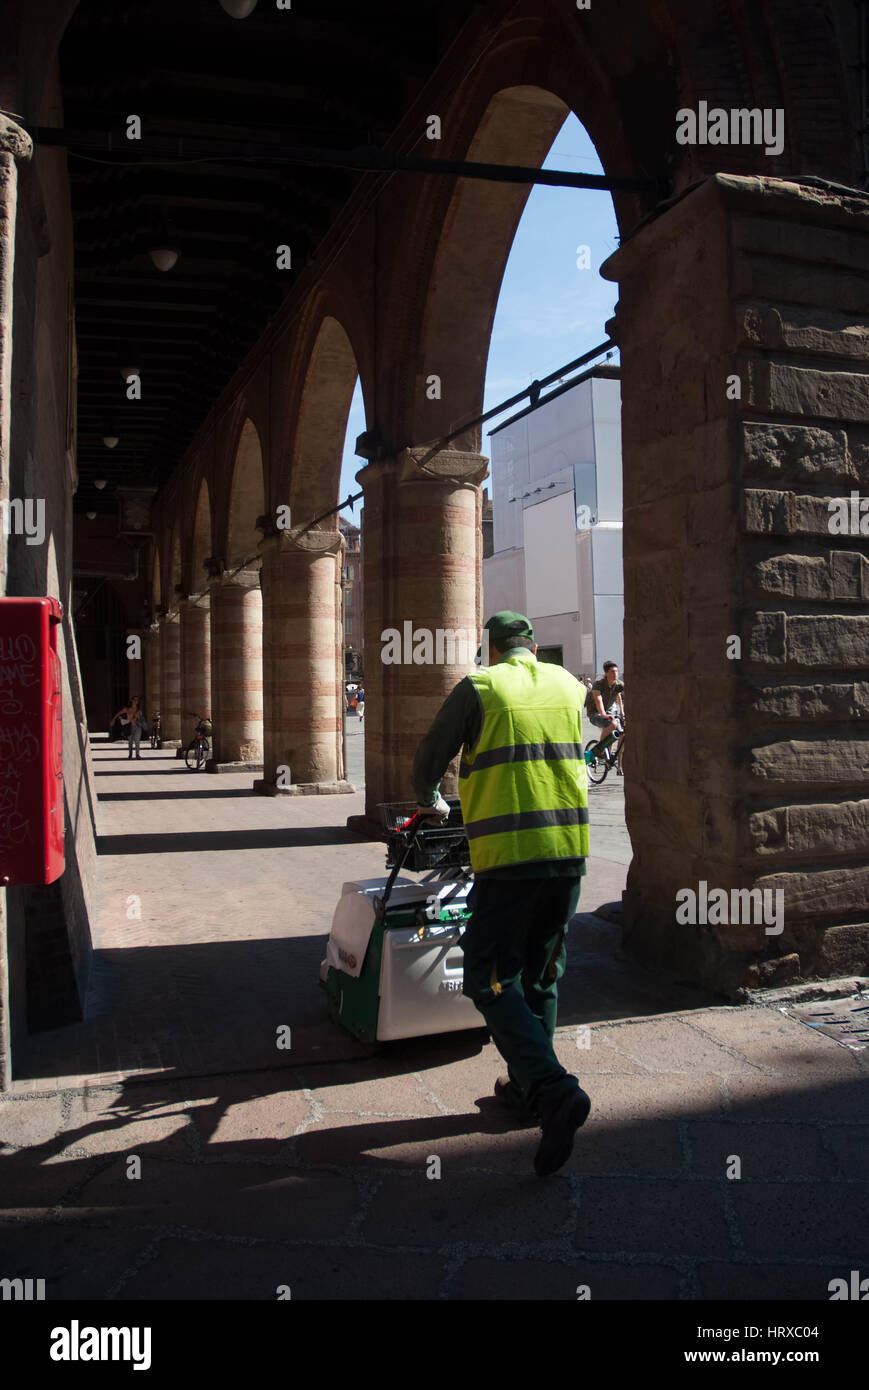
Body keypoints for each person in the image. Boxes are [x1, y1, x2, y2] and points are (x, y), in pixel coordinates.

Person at [412, 611, 591, 1178]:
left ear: (492, 649)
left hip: (510, 857)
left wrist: (431, 802)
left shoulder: (481, 687)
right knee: (541, 974)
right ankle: (524, 1091)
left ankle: (553, 1087)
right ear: (533, 646)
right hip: (569, 851)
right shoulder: (571, 686)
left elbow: (427, 763)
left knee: (486, 975)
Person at [585, 661, 625, 773]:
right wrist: (603, 714)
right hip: (595, 713)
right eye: (612, 672)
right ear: (606, 673)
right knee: (612, 724)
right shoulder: (598, 684)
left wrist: (622, 711)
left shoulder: (618, 684)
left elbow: (621, 697)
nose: (615, 674)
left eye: (616, 671)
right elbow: (598, 700)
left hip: (610, 711)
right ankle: (599, 749)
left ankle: (617, 760)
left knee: (622, 733)